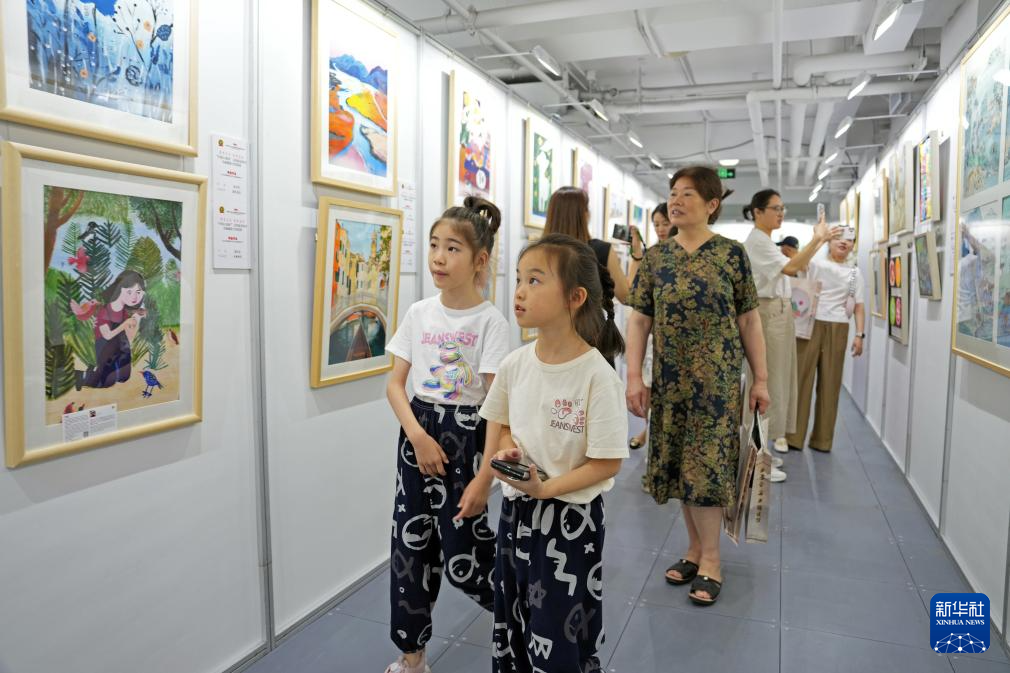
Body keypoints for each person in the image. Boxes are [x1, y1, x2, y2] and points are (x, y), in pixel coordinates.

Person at [480, 233, 628, 673]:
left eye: (535, 280)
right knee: (512, 615)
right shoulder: (515, 364)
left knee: (560, 624)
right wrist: (508, 450)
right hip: (516, 515)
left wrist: (546, 489)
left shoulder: (597, 376)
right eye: (519, 279)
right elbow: (502, 422)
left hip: (571, 522)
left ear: (575, 297)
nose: (519, 292)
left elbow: (606, 462)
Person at [626, 166, 769, 607]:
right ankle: (693, 549)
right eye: (673, 192)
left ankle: (711, 559)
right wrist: (633, 376)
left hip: (717, 384)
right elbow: (639, 320)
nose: (676, 200)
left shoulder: (730, 254)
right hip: (670, 385)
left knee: (705, 470)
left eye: (688, 193)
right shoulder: (656, 258)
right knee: (678, 469)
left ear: (711, 204)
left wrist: (761, 379)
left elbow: (749, 320)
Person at [383, 196, 509, 673]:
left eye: (452, 248)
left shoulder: (491, 321)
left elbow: (497, 406)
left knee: (465, 553)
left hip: (467, 437)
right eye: (434, 245)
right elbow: (395, 385)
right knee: (410, 550)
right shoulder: (419, 313)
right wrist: (417, 436)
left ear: (479, 260)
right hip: (418, 434)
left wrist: (484, 476)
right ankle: (411, 656)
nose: (438, 257)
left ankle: (521, 621)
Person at [742, 190, 841, 471]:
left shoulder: (766, 241)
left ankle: (761, 453)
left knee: (777, 384)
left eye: (782, 208)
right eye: (775, 208)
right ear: (758, 212)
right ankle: (756, 460)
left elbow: (796, 266)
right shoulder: (757, 242)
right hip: (767, 315)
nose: (781, 213)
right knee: (765, 385)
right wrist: (818, 239)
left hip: (777, 315)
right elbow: (791, 267)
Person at [785, 235, 866, 452]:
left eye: (849, 240)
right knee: (802, 379)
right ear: (830, 241)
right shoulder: (815, 264)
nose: (843, 242)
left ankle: (822, 440)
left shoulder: (855, 273)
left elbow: (859, 306)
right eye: (838, 238)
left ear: (853, 245)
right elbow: (796, 266)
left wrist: (859, 335)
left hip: (838, 326)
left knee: (831, 383)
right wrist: (818, 239)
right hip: (809, 323)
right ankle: (793, 436)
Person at [628, 201, 676, 451]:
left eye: (665, 223)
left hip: (673, 337)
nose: (660, 229)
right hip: (651, 332)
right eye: (656, 224)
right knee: (648, 386)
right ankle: (649, 432)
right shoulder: (654, 255)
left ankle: (652, 435)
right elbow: (632, 290)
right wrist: (637, 252)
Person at [544, 186, 643, 305]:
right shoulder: (601, 250)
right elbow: (626, 297)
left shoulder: (539, 252)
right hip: (589, 318)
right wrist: (637, 254)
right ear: (584, 214)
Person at [80, 270, 147, 389]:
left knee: (124, 377)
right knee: (105, 382)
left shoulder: (125, 312)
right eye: (130, 291)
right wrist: (125, 324)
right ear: (119, 289)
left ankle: (100, 373)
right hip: (105, 347)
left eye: (138, 292)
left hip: (120, 348)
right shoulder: (104, 310)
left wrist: (136, 320)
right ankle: (82, 375)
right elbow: (107, 336)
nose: (135, 297)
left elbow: (129, 340)